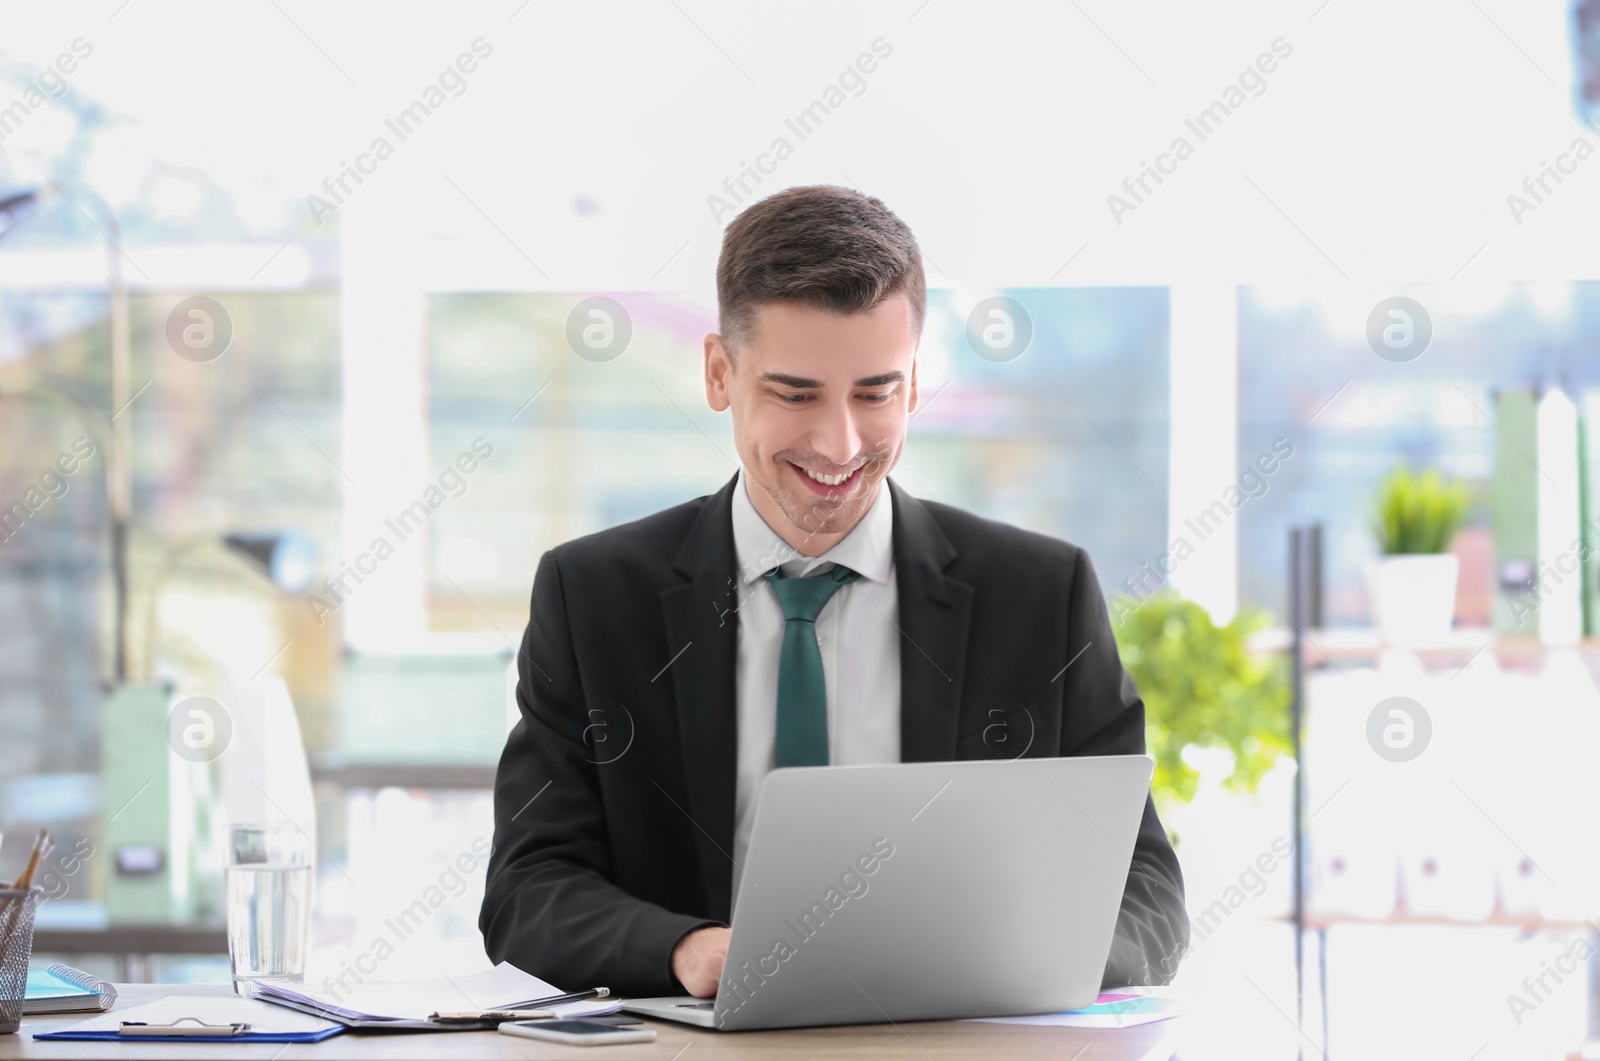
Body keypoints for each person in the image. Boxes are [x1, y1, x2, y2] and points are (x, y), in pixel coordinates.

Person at [479, 184, 1188, 999]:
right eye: (795, 392)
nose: (839, 442)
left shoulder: (1041, 594)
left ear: (916, 383)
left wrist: (1005, 960)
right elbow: (528, 885)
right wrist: (687, 949)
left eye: (876, 391)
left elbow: (1150, 897)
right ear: (720, 373)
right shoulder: (594, 596)